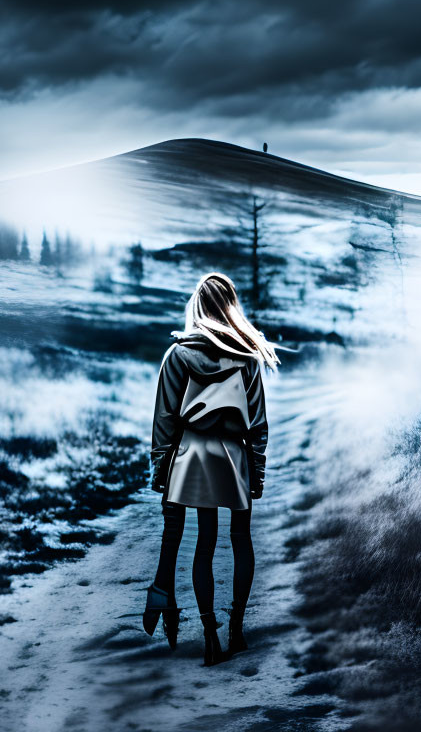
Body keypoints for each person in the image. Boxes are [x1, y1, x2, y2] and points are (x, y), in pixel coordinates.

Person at [142, 272, 277, 665]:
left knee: (204, 542)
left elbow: (165, 421)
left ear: (198, 308)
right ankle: (236, 628)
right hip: (235, 456)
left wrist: (160, 472)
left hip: (192, 456)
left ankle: (210, 637)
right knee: (241, 539)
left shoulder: (178, 355)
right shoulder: (248, 356)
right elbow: (258, 424)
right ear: (231, 308)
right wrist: (259, 472)